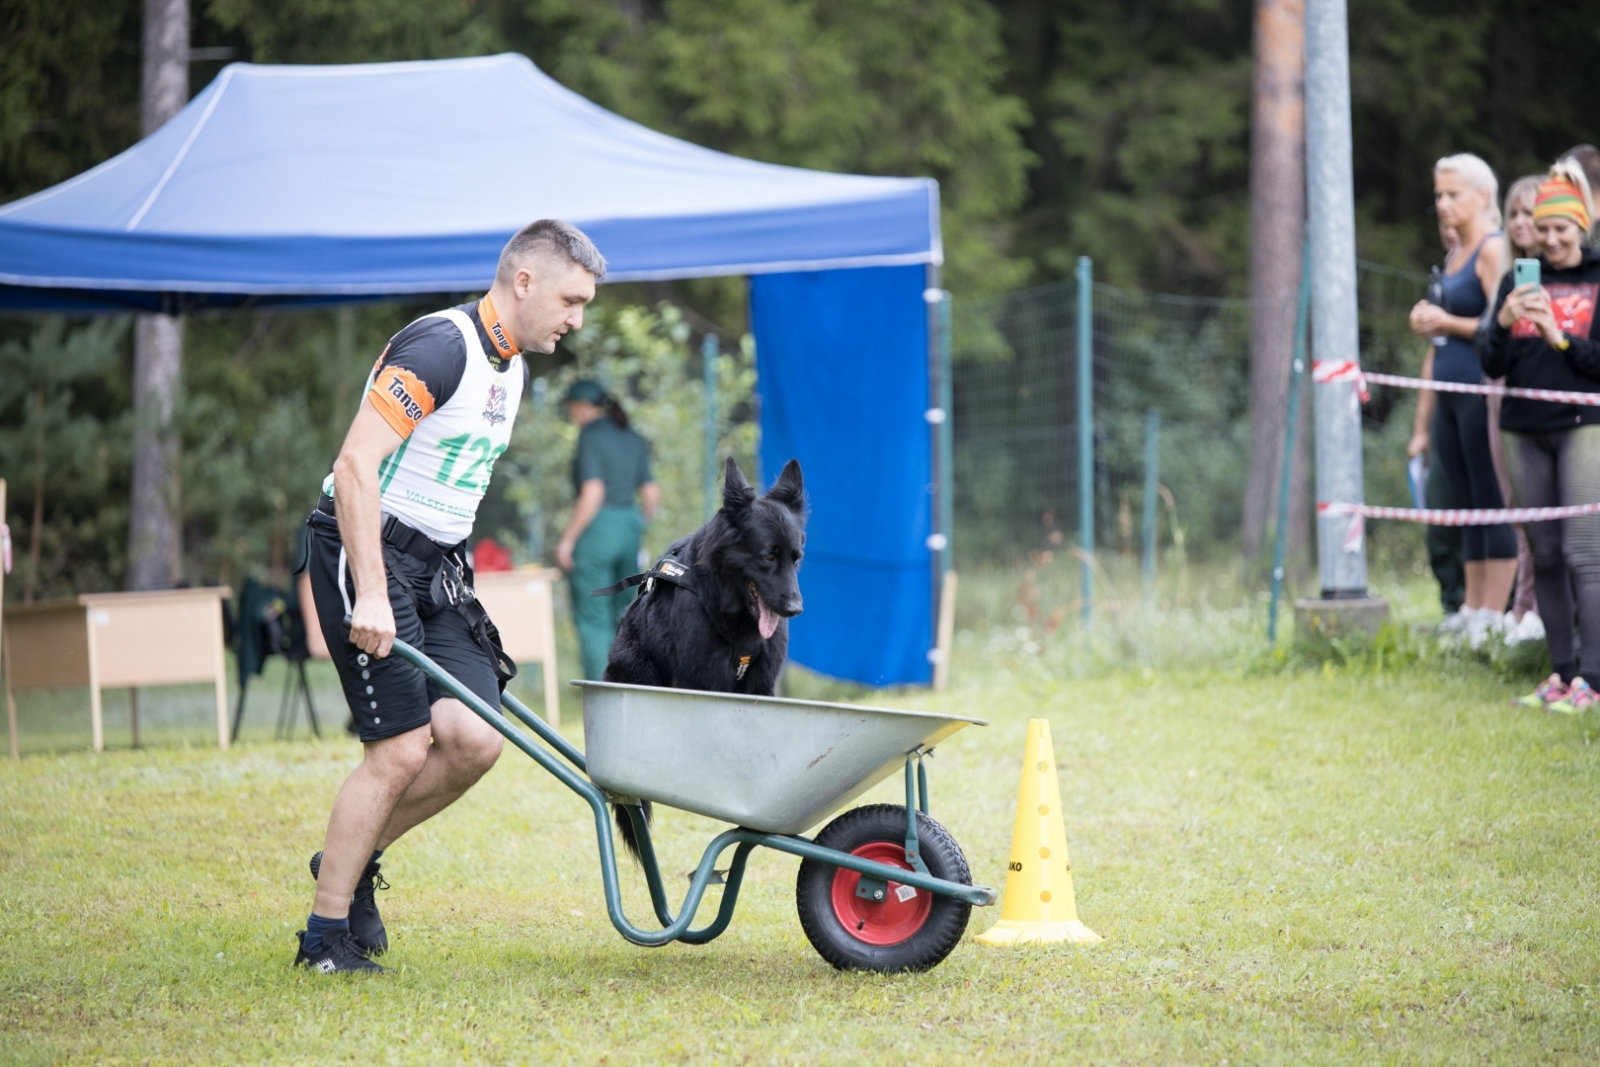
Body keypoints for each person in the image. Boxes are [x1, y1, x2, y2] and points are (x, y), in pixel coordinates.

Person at [295, 220, 604, 973]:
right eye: (571, 300)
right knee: (400, 747)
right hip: (366, 553)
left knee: (474, 739)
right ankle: (325, 938)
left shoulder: (514, 368)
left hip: (438, 571)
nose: (577, 320)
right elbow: (356, 465)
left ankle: (350, 858)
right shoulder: (441, 347)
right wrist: (371, 590)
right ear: (523, 282)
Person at [1483, 163, 1600, 713]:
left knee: (1585, 552)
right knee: (1545, 553)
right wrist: (1503, 322)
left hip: (1581, 427)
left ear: (1581, 227)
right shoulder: (1516, 280)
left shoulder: (1598, 278)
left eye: (1562, 229)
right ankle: (1560, 673)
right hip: (1523, 427)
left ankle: (1592, 680)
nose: (1550, 239)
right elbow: (1491, 361)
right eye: (1542, 227)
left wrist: (1559, 337)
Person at [1407, 154, 1515, 646]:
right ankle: (1471, 608)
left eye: (1453, 195)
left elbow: (1506, 326)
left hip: (1480, 389)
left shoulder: (1493, 250)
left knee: (1491, 498)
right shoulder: (1453, 255)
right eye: (1438, 195)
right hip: (1448, 391)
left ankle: (1497, 609)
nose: (1443, 204)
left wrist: (1446, 322)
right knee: (1465, 500)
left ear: (1482, 198)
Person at [556, 380, 660, 678]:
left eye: (571, 410)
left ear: (582, 407)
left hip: (598, 532)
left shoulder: (590, 435)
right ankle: (627, 683)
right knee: (625, 614)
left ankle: (598, 689)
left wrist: (567, 541)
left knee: (594, 618)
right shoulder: (632, 436)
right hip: (630, 528)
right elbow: (652, 494)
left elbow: (593, 493)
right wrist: (636, 525)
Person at [1484, 175, 1548, 642]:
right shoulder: (1507, 274)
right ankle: (1523, 607)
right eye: (1514, 214)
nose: (1522, 223)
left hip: (1548, 399)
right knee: (1515, 502)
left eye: (1531, 213)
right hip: (1500, 393)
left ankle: (1534, 610)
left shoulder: (1570, 276)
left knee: (1544, 509)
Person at [1411, 220, 1466, 620]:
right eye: (1441, 217)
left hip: (1480, 409)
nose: (1448, 225)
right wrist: (1419, 430)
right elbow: (1434, 356)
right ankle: (1454, 606)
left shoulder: (1491, 264)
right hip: (1442, 415)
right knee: (1440, 517)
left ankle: (1492, 612)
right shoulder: (1443, 276)